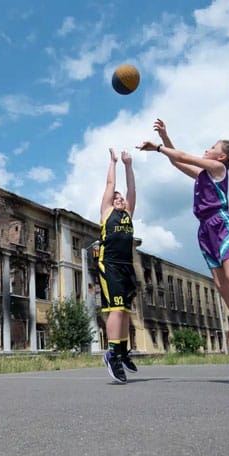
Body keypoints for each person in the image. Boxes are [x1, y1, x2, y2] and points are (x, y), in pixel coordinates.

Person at [137, 119, 229, 363]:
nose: (207, 149)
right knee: (220, 283)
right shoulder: (203, 175)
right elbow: (178, 160)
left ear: (221, 158)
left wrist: (157, 147)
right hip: (205, 230)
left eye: (211, 147)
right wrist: (165, 137)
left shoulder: (218, 171)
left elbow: (183, 155)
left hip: (222, 224)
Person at [99, 148, 139, 383]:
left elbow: (132, 189)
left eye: (121, 198)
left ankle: (123, 350)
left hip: (127, 267)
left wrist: (128, 165)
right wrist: (113, 162)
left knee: (124, 311)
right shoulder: (107, 213)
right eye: (116, 198)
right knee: (116, 309)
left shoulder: (128, 214)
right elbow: (110, 183)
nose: (120, 199)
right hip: (110, 264)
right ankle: (112, 354)